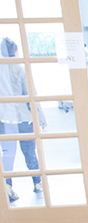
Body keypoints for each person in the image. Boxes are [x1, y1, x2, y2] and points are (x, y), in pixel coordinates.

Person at [0, 37, 46, 200]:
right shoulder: (20, 69)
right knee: (29, 153)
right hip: (23, 119)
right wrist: (41, 118)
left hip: (4, 120)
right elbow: (30, 96)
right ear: (17, 51)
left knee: (7, 155)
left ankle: (7, 187)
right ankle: (37, 182)